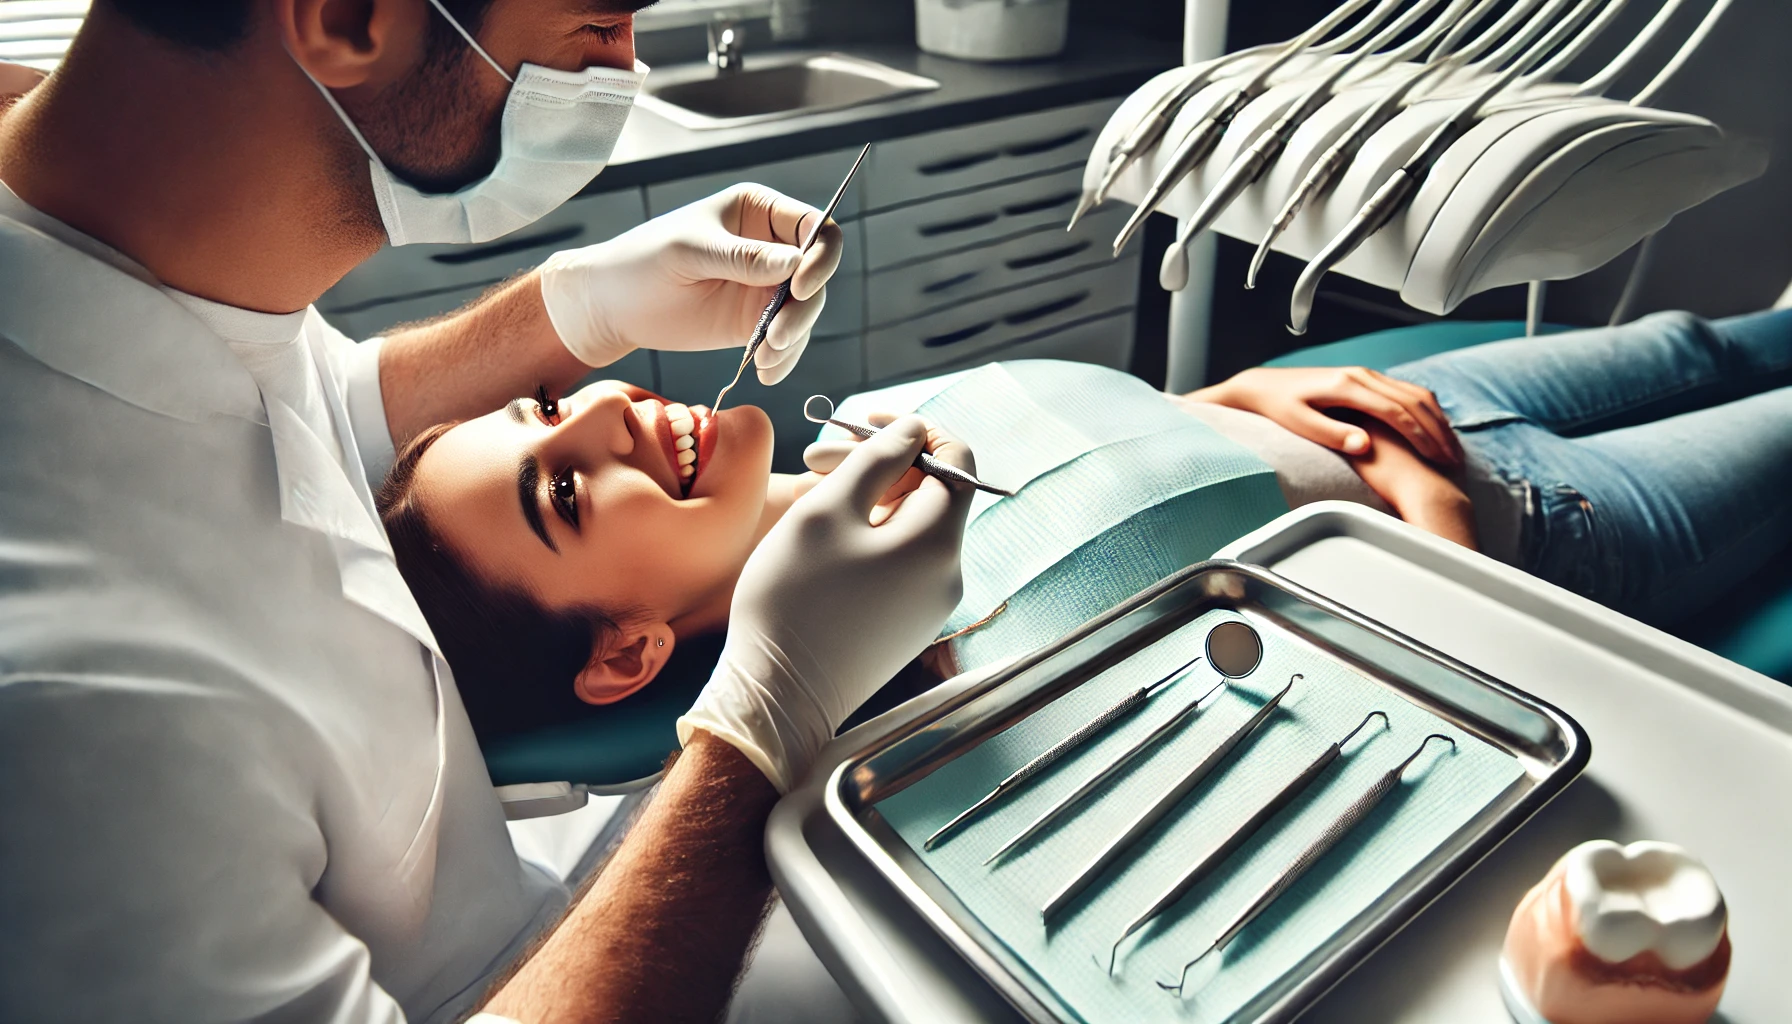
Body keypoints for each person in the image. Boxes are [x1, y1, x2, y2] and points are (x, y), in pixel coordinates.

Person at [0, 2, 976, 1022]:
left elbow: (290, 412)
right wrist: (763, 719)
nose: (628, 59)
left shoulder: (137, 236)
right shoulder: (62, 709)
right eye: (599, 17)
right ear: (346, 17)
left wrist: (573, 310)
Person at [376, 308, 1792, 741]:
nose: (602, 412)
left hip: (1387, 393)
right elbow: (1425, 696)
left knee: (1722, 335)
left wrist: (1259, 390)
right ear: (622, 656)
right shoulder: (952, 694)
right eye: (562, 490)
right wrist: (1425, 511)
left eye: (543, 405)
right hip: (1534, 524)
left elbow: (1121, 424)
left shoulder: (859, 429)